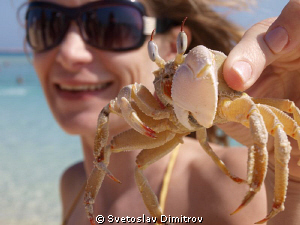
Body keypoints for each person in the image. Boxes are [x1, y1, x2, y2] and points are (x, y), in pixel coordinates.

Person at [23, 0, 300, 225]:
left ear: (172, 48)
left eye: (111, 24)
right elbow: (120, 103)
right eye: (46, 23)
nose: (70, 53)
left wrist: (294, 176)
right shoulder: (72, 183)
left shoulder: (228, 183)